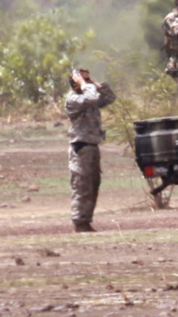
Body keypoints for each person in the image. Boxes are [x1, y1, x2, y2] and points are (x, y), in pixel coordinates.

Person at [65, 67, 116, 233]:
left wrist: (95, 83)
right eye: (84, 80)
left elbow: (109, 97)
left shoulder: (90, 96)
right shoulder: (74, 99)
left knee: (93, 184)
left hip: (92, 145)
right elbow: (91, 97)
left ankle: (86, 220)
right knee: (82, 186)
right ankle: (80, 222)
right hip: (81, 147)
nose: (88, 83)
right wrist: (83, 84)